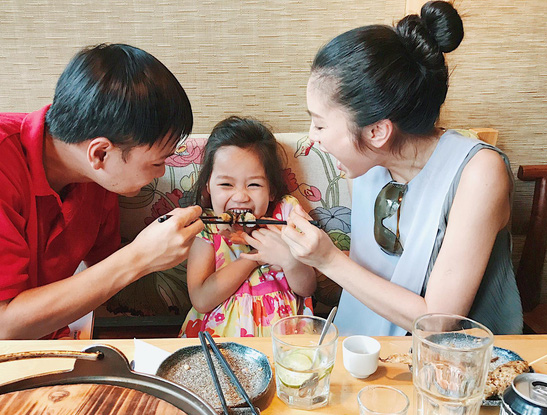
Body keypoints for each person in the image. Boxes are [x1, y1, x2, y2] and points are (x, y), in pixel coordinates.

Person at [0, 43, 204, 341]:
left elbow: (102, 267)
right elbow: (0, 328)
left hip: (48, 338)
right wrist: (140, 257)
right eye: (157, 163)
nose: (160, 173)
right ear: (100, 153)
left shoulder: (99, 178)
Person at [276, 1, 522, 336]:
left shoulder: (480, 173)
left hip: (463, 358)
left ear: (377, 131)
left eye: (320, 125)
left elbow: (437, 322)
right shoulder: (365, 167)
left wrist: (328, 259)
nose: (312, 138)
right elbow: (373, 280)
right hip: (369, 349)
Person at [180, 116, 317, 338]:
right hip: (218, 341)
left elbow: (307, 288)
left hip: (284, 340)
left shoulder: (286, 214)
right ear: (208, 187)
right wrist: (255, 257)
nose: (240, 196)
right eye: (226, 184)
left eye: (254, 184)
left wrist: (289, 260)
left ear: (271, 190)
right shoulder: (206, 227)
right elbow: (201, 299)